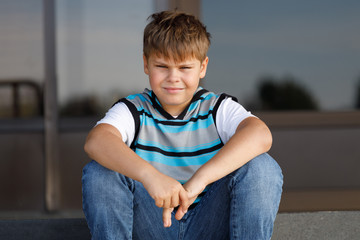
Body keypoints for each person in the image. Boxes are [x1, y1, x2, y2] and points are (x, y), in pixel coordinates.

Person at [82, 10, 283, 240]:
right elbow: (97, 141)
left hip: (209, 224)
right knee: (101, 172)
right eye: (162, 66)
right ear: (146, 64)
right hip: (152, 225)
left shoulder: (217, 108)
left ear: (202, 67)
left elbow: (260, 135)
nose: (173, 77)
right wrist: (151, 176)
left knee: (261, 167)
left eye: (185, 68)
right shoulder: (133, 109)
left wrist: (199, 180)